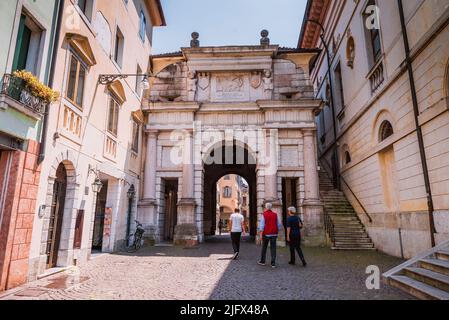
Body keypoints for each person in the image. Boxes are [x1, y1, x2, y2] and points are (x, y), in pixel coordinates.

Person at [258, 202, 283, 268]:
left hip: (266, 233)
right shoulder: (275, 214)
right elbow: (279, 225)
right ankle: (273, 263)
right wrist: (278, 230)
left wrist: (260, 234)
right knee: (273, 248)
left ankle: (262, 261)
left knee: (264, 248)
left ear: (266, 207)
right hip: (274, 233)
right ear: (271, 207)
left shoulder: (264, 214)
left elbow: (262, 226)